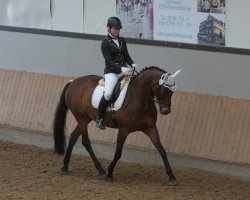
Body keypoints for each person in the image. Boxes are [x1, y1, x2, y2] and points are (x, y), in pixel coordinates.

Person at [96, 16, 138, 129]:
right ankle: (99, 117)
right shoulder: (105, 43)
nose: (117, 31)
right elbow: (108, 61)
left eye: (118, 29)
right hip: (112, 72)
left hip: (125, 69)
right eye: (115, 29)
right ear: (108, 29)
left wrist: (132, 64)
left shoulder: (122, 40)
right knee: (109, 93)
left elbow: (126, 56)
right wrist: (121, 69)